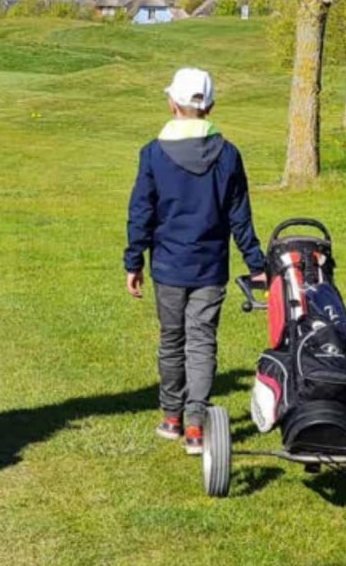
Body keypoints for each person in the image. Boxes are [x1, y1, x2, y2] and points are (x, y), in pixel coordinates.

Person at [123, 67, 265, 455]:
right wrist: (256, 263)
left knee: (172, 340)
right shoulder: (229, 154)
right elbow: (240, 216)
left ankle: (172, 416)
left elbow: (141, 213)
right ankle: (195, 426)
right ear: (211, 105)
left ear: (172, 104)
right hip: (210, 267)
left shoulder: (153, 154)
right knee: (201, 342)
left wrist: (133, 261)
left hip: (168, 267)